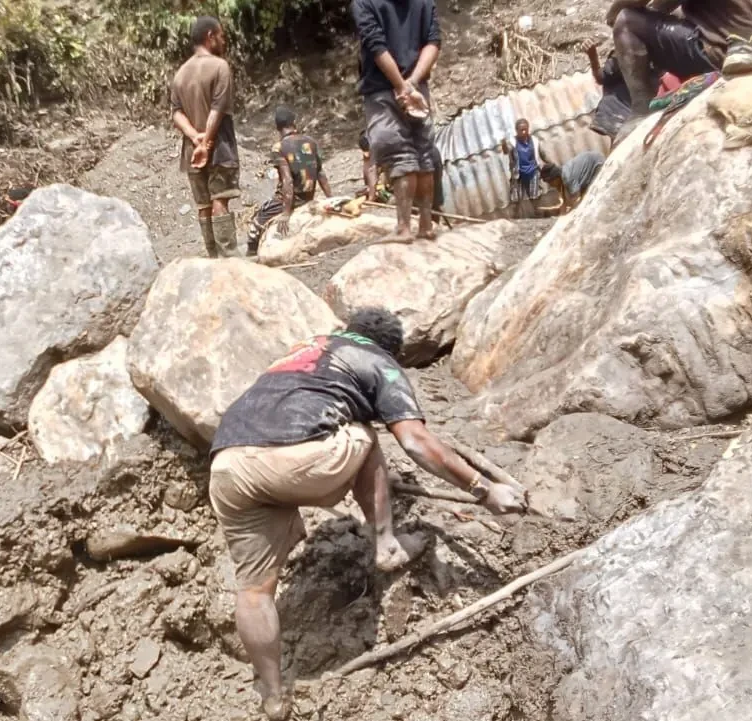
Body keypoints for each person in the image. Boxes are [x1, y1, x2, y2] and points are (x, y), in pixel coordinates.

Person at [209, 307, 527, 721]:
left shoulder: (303, 350)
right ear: (392, 349)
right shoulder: (379, 361)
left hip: (227, 464)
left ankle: (272, 695)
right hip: (292, 460)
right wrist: (483, 490)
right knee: (364, 434)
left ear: (349, 331)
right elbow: (414, 441)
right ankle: (387, 544)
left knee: (253, 593)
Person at [353, 0, 442, 241]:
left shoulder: (365, 2)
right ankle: (425, 224)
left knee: (399, 155)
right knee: (423, 155)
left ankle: (403, 227)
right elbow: (433, 42)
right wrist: (412, 84)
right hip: (418, 90)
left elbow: (376, 45)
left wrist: (401, 86)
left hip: (383, 91)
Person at [607, 0, 752, 116]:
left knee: (626, 22)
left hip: (727, 51)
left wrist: (613, 13)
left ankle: (641, 111)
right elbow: (663, 5)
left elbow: (633, 6)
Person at [171, 16, 242, 258]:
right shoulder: (220, 67)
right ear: (210, 36)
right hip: (218, 147)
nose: (223, 40)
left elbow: (176, 113)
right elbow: (218, 107)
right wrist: (207, 141)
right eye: (221, 35)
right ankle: (229, 257)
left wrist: (194, 138)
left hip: (192, 152)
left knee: (204, 205)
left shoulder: (180, 74)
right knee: (220, 200)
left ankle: (212, 257)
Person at [246, 107, 332, 256]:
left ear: (278, 128)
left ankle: (252, 255)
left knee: (255, 225)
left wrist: (286, 212)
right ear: (294, 123)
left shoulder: (279, 148)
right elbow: (320, 173)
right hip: (307, 198)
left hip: (287, 201)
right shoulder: (311, 142)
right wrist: (331, 198)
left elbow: (287, 181)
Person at [541, 151, 607, 214]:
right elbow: (565, 196)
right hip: (591, 163)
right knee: (585, 193)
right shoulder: (562, 173)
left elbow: (576, 197)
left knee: (592, 192)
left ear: (555, 178)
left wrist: (570, 211)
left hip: (597, 163)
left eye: (550, 182)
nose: (550, 185)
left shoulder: (568, 177)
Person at [508, 119, 549, 218]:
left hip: (532, 171)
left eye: (525, 129)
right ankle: (514, 220)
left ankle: (540, 217)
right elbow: (507, 151)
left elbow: (542, 155)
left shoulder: (534, 141)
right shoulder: (512, 142)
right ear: (516, 130)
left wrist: (550, 163)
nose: (524, 132)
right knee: (515, 199)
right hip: (518, 174)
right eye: (521, 130)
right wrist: (504, 146)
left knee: (535, 197)